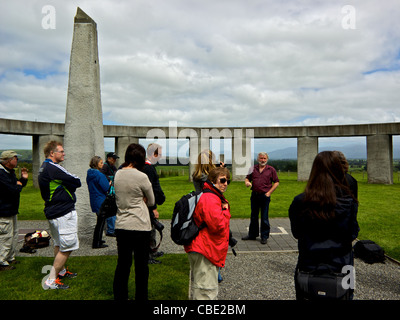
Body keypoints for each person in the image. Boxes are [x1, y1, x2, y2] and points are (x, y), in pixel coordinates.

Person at [289, 151, 359, 300]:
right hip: (342, 264)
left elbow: (297, 233)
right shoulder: (349, 202)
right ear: (339, 169)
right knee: (345, 296)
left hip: (309, 263)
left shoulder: (299, 202)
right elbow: (353, 233)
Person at [113, 143, 155, 300]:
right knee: (141, 267)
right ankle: (141, 297)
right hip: (140, 225)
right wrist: (142, 198)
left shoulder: (117, 174)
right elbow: (151, 201)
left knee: (123, 266)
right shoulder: (141, 176)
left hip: (122, 224)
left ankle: (120, 297)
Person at [38, 141, 81, 289]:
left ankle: (61, 271)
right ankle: (50, 280)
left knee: (59, 243)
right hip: (63, 212)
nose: (64, 154)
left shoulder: (44, 167)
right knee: (68, 246)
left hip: (53, 211)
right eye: (61, 151)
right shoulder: (53, 167)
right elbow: (77, 181)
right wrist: (68, 184)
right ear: (52, 153)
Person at [184, 166, 231, 300]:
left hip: (204, 248)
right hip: (205, 250)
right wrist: (226, 211)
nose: (225, 184)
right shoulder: (210, 198)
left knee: (202, 289)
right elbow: (218, 226)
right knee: (206, 292)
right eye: (222, 180)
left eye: (228, 181)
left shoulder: (212, 195)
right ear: (212, 180)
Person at [242, 152, 279, 244]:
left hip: (265, 196)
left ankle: (264, 236)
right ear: (258, 159)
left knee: (264, 217)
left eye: (264, 158)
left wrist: (269, 192)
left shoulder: (271, 170)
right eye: (261, 158)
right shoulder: (252, 168)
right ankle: (252, 235)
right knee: (254, 216)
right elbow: (247, 178)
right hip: (254, 195)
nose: (263, 160)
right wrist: (247, 182)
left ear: (267, 159)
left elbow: (276, 182)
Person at [0, 150, 28, 271]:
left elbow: (18, 186)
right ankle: (1, 262)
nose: (17, 160)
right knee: (5, 236)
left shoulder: (9, 172)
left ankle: (10, 257)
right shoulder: (1, 174)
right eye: (15, 158)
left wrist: (23, 179)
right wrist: (18, 185)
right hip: (3, 211)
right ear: (8, 160)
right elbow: (13, 189)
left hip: (11, 209)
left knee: (13, 235)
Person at [143, 143, 166, 264]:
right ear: (154, 154)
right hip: (148, 205)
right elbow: (150, 190)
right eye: (160, 154)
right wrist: (154, 208)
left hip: (149, 204)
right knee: (149, 229)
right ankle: (148, 256)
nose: (161, 157)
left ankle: (152, 251)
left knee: (151, 229)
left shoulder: (146, 167)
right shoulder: (148, 168)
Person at [86, 156, 111, 249]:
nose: (102, 164)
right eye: (100, 163)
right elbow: (106, 188)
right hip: (101, 200)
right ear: (96, 164)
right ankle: (96, 243)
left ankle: (98, 239)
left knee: (99, 222)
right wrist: (110, 183)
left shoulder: (89, 174)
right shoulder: (99, 175)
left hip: (94, 199)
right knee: (101, 223)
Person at [100, 152, 119, 237]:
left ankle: (112, 228)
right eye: (113, 159)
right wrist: (110, 178)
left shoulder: (112, 166)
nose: (114, 160)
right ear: (108, 158)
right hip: (108, 192)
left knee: (112, 210)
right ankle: (110, 230)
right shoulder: (105, 166)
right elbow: (102, 175)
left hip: (111, 191)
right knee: (111, 210)